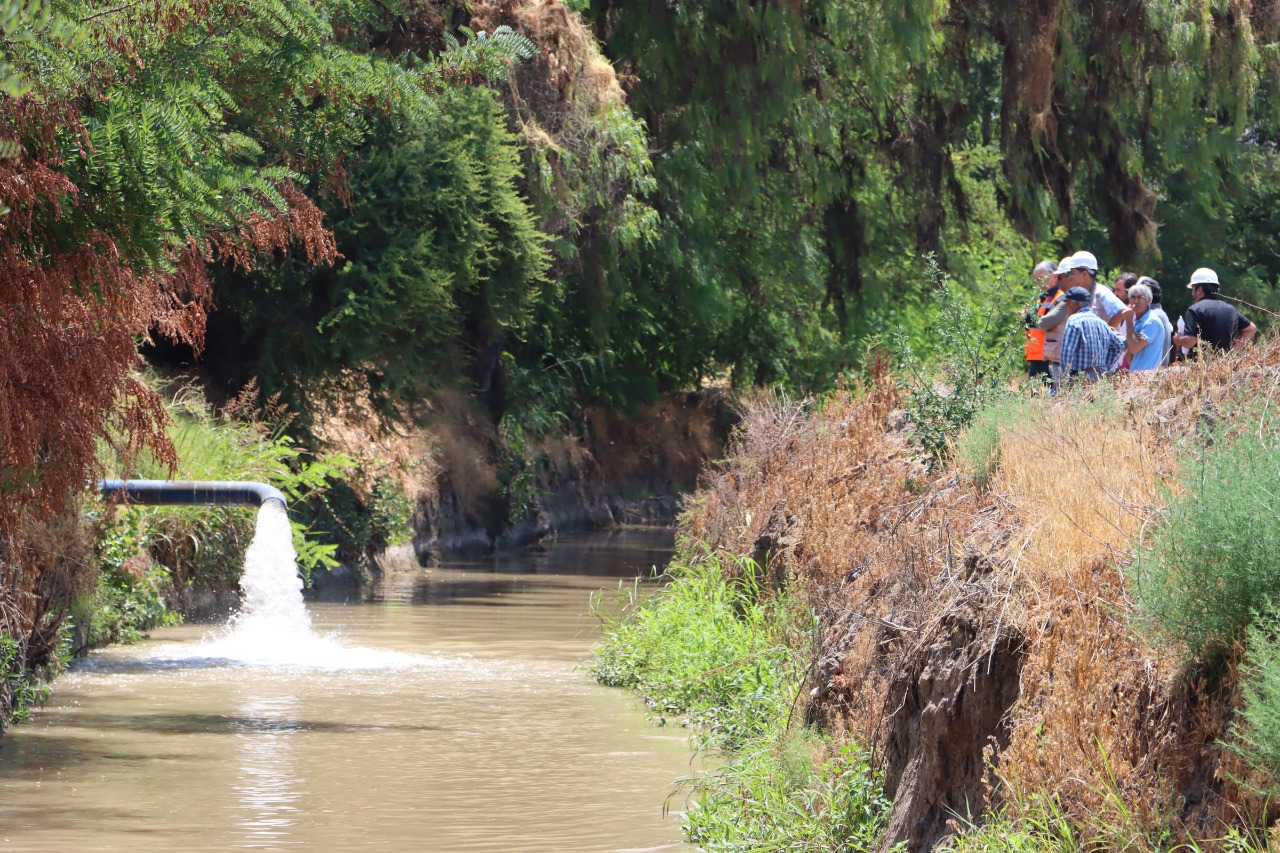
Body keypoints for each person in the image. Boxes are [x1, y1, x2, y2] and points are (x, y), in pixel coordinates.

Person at [1172, 267, 1256, 354]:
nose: (1192, 293)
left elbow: (1190, 341)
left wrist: (1178, 339)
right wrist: (1233, 351)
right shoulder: (1230, 309)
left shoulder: (1195, 310)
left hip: (1201, 366)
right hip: (1225, 366)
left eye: (1193, 289)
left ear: (1200, 290)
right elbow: (1251, 328)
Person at [1058, 285, 1126, 382]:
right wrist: (1105, 367)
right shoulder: (1102, 323)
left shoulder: (1074, 320)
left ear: (1076, 304)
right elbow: (1118, 345)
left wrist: (1062, 378)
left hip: (1079, 379)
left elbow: (1067, 352)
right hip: (1099, 379)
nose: (1066, 307)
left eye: (1068, 303)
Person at [1036, 255, 1078, 387]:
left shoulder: (1066, 299)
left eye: (1059, 277)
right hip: (1049, 354)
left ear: (1070, 277)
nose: (1057, 281)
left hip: (1061, 356)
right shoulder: (1049, 297)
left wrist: (1033, 319)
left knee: (1058, 394)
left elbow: (1043, 323)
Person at [1064, 251, 1133, 330]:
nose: (1070, 277)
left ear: (1084, 274)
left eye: (1073, 273)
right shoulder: (1078, 295)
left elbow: (1122, 311)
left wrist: (1107, 332)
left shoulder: (1101, 293)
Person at [1024, 260, 1060, 380]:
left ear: (1054, 276)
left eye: (1042, 278)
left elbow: (1047, 322)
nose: (1039, 282)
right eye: (1037, 279)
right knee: (1034, 395)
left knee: (1049, 395)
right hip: (1036, 356)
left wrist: (1030, 317)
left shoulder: (1060, 297)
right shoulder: (1042, 298)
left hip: (1049, 357)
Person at [1122, 283, 1168, 373]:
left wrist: (1129, 322)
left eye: (1140, 297)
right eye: (1132, 297)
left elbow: (1134, 349)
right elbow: (1129, 356)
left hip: (1147, 377)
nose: (1135, 301)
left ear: (1149, 300)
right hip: (1137, 376)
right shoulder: (1139, 321)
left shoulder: (1151, 321)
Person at [1139, 276, 1175, 365]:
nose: (1134, 300)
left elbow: (1135, 346)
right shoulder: (1160, 314)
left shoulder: (1152, 317)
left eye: (1138, 296)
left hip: (1150, 373)